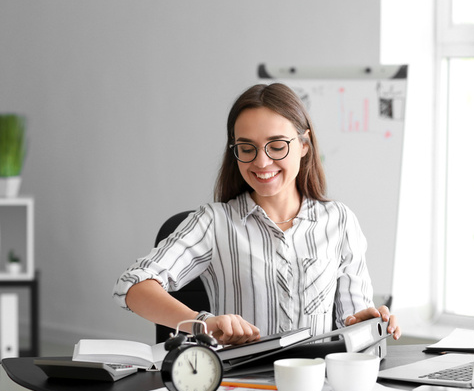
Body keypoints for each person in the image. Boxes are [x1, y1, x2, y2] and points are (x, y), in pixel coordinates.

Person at [113, 83, 400, 345]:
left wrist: (371, 324)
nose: (262, 162)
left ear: (304, 145)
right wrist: (203, 324)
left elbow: (355, 325)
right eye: (247, 148)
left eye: (276, 146)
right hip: (241, 385)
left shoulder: (339, 221)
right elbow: (132, 285)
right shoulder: (215, 222)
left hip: (316, 386)